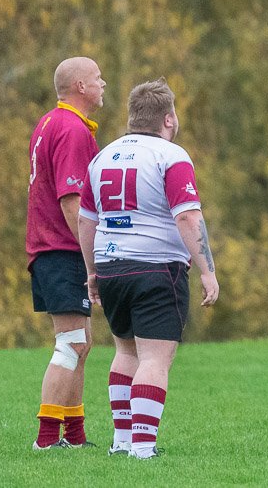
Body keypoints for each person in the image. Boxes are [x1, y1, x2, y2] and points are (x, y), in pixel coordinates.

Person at [77, 79, 220, 459]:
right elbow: (187, 216)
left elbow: (86, 221)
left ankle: (122, 441)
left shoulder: (101, 157)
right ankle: (143, 448)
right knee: (155, 358)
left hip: (110, 265)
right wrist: (207, 270)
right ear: (168, 119)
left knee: (125, 352)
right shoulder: (171, 156)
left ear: (132, 117)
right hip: (156, 267)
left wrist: (92, 271)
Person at [27, 56, 106, 450]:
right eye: (97, 78)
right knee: (71, 343)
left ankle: (74, 437)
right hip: (62, 248)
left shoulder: (47, 123)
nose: (103, 83)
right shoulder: (72, 129)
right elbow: (72, 202)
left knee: (82, 341)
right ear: (80, 87)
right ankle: (46, 440)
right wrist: (95, 256)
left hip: (50, 247)